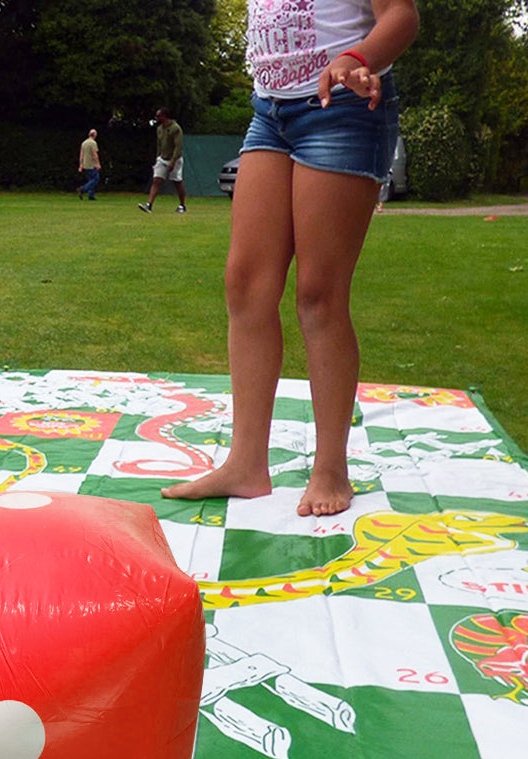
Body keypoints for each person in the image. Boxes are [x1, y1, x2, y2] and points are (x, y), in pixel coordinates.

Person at [162, 0, 419, 516]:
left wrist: (355, 57)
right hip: (271, 111)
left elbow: (402, 16)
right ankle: (245, 464)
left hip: (342, 108)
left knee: (319, 295)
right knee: (245, 284)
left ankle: (330, 470)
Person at [138, 109, 186, 213]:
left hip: (175, 159)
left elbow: (178, 147)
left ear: (164, 116)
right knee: (156, 180)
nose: (157, 118)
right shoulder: (159, 129)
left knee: (177, 182)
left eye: (159, 116)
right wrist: (157, 159)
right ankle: (149, 205)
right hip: (162, 158)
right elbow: (159, 145)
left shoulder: (175, 128)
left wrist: (173, 162)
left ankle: (182, 205)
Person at [77, 128, 101, 200]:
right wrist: (98, 164)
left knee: (90, 180)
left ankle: (91, 195)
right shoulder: (93, 143)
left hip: (85, 164)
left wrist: (80, 165)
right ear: (95, 135)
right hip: (92, 164)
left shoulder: (84, 143)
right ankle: (83, 189)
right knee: (96, 179)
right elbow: (95, 154)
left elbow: (81, 155)